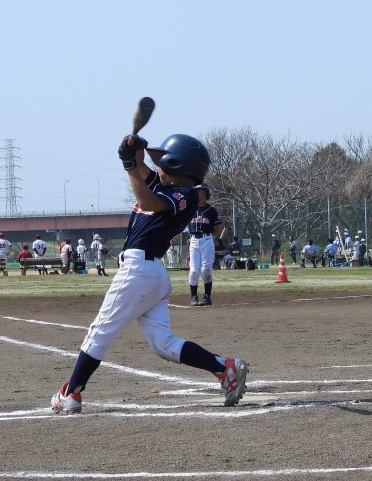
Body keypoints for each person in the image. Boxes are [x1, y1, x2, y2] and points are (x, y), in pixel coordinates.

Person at [50, 131, 248, 413]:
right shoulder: (165, 185)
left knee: (100, 332)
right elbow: (142, 169)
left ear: (177, 165)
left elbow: (147, 201)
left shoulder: (186, 194)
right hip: (150, 273)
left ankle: (71, 393)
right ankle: (224, 367)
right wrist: (131, 153)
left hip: (138, 272)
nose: (158, 168)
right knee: (163, 343)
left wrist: (131, 166)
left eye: (164, 163)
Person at [186, 183, 223, 306]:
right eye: (197, 194)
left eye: (202, 194)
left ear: (207, 195)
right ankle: (194, 296)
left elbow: (219, 226)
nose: (200, 196)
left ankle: (207, 297)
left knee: (205, 269)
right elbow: (186, 224)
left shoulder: (211, 210)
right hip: (193, 240)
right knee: (194, 271)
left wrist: (211, 236)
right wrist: (190, 235)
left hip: (207, 239)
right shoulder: (191, 209)